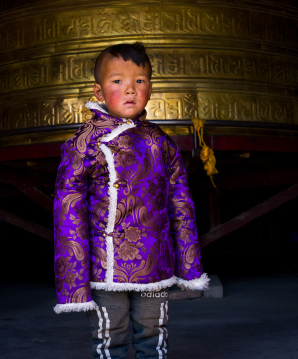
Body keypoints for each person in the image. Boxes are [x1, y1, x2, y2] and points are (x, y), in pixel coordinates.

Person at [53, 42, 209, 358]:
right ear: (98, 91)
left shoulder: (161, 143)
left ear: (150, 89)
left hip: (155, 263)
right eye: (117, 81)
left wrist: (190, 266)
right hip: (103, 265)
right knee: (111, 335)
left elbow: (181, 204)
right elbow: (68, 212)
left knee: (154, 333)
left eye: (139, 81)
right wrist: (74, 280)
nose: (130, 90)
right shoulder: (83, 144)